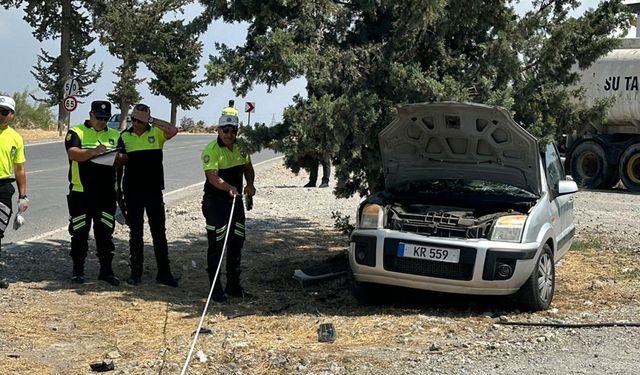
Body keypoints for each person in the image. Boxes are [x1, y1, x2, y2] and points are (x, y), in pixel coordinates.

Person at [116, 103, 179, 287]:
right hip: (132, 191)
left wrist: (151, 120)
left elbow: (173, 130)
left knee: (159, 233)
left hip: (153, 190)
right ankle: (136, 273)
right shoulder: (125, 136)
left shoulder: (156, 133)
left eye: (140, 120)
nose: (136, 123)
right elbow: (119, 165)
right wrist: (118, 189)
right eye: (133, 119)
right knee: (135, 233)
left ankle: (164, 273)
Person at [65, 100, 121, 286]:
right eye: (99, 118)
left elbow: (125, 158)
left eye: (105, 119)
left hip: (105, 194)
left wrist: (115, 156)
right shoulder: (77, 131)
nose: (102, 122)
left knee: (105, 233)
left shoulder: (114, 134)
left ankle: (106, 271)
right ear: (90, 114)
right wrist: (94, 152)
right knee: (80, 231)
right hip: (81, 192)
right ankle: (77, 270)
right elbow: (73, 153)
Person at [201, 114, 256, 301]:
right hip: (215, 202)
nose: (229, 134)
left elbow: (248, 168)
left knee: (236, 242)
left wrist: (249, 184)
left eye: (233, 131)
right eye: (225, 130)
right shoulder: (212, 150)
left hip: (236, 201)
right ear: (218, 130)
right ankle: (215, 289)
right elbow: (213, 177)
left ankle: (233, 286)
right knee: (217, 245)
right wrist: (228, 187)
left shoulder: (242, 148)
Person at [0, 96, 28, 289]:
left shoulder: (16, 138)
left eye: (4, 112)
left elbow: (19, 169)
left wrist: (23, 195)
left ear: (11, 115)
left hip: (3, 188)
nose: (0, 115)